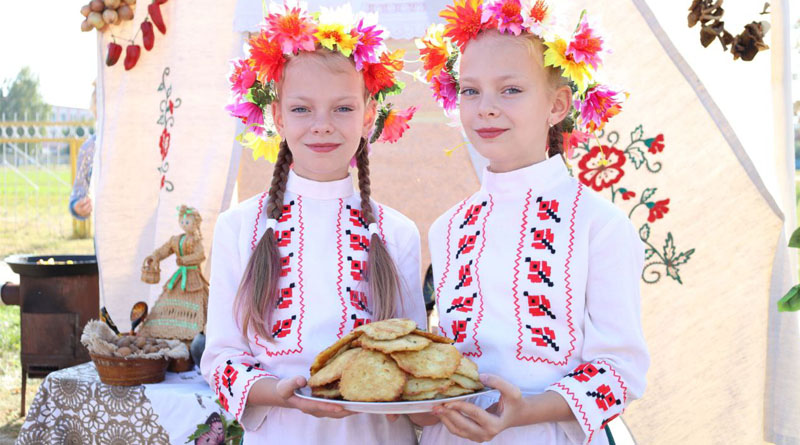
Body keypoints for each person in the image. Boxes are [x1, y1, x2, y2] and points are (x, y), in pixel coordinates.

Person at [412, 2, 649, 444]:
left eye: (511, 90)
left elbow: (620, 373)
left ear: (557, 104)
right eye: (470, 91)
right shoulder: (448, 228)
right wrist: (420, 407)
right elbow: (447, 357)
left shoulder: (600, 226)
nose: (485, 108)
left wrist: (519, 412)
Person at [200, 4, 426, 444]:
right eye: (302, 110)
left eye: (342, 108)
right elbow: (221, 358)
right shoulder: (238, 228)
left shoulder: (397, 233)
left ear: (367, 114)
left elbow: (413, 356)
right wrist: (281, 394)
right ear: (278, 117)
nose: (322, 126)